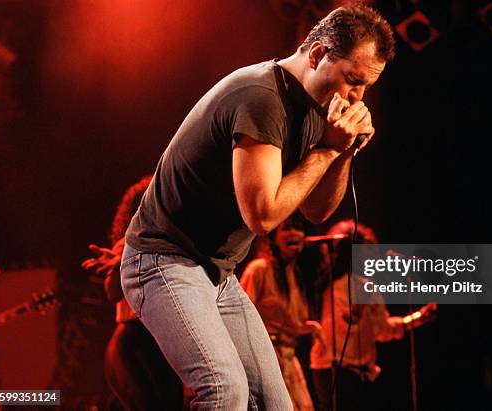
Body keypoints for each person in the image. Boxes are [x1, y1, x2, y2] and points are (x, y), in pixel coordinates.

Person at [120, 5, 395, 409]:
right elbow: (263, 216)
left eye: (366, 87)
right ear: (317, 55)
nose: (357, 97)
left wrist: (345, 151)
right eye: (353, 80)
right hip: (162, 261)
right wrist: (326, 151)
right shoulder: (261, 97)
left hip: (216, 274)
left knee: (276, 405)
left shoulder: (316, 109)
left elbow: (316, 212)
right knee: (223, 389)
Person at [82, 175, 183, 411]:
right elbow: (113, 294)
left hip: (164, 343)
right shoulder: (129, 241)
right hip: (135, 343)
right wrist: (119, 264)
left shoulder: (174, 244)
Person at [309, 220, 405, 411]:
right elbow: (339, 331)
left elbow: (382, 331)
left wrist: (418, 318)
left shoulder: (368, 288)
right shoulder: (334, 287)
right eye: (367, 252)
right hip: (334, 369)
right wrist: (358, 308)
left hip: (363, 371)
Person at [240, 215, 322, 411]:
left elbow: (288, 318)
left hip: (288, 358)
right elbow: (240, 315)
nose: (294, 233)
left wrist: (306, 327)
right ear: (273, 237)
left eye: (298, 228)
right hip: (266, 355)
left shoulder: (295, 275)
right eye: (286, 228)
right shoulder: (259, 270)